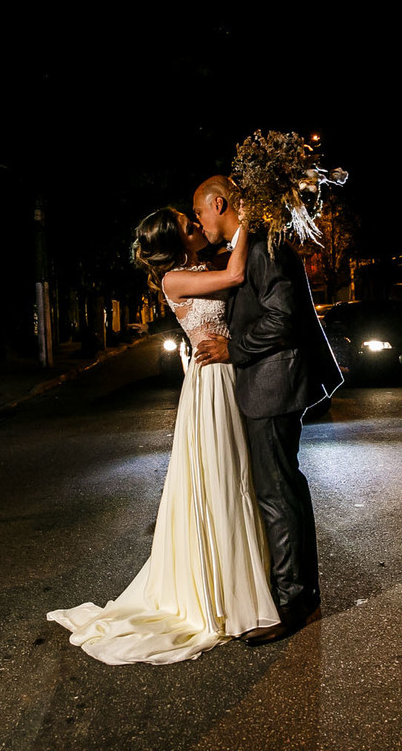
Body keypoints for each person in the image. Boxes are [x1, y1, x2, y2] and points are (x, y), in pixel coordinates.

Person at [46, 207, 279, 665]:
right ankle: (225, 594)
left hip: (231, 373)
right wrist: (247, 217)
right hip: (212, 382)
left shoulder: (201, 265)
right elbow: (236, 276)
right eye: (189, 224)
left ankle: (248, 578)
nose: (197, 225)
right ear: (176, 240)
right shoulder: (175, 279)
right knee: (222, 478)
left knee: (242, 475)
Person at [192, 175, 343, 646]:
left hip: (272, 387)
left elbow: (283, 318)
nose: (200, 222)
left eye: (200, 213)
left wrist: (233, 348)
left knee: (276, 494)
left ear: (219, 204)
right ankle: (301, 592)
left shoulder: (262, 248)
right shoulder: (253, 246)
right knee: (284, 489)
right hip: (267, 386)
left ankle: (291, 604)